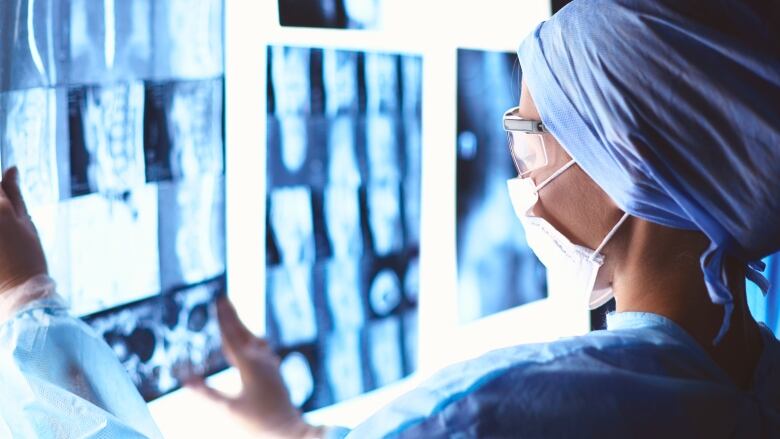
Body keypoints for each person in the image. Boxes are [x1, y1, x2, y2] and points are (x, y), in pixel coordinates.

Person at [1, 0, 780, 437]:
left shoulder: (506, 413)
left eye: (528, 134)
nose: (519, 166)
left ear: (627, 165)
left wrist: (30, 310)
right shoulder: (755, 377)